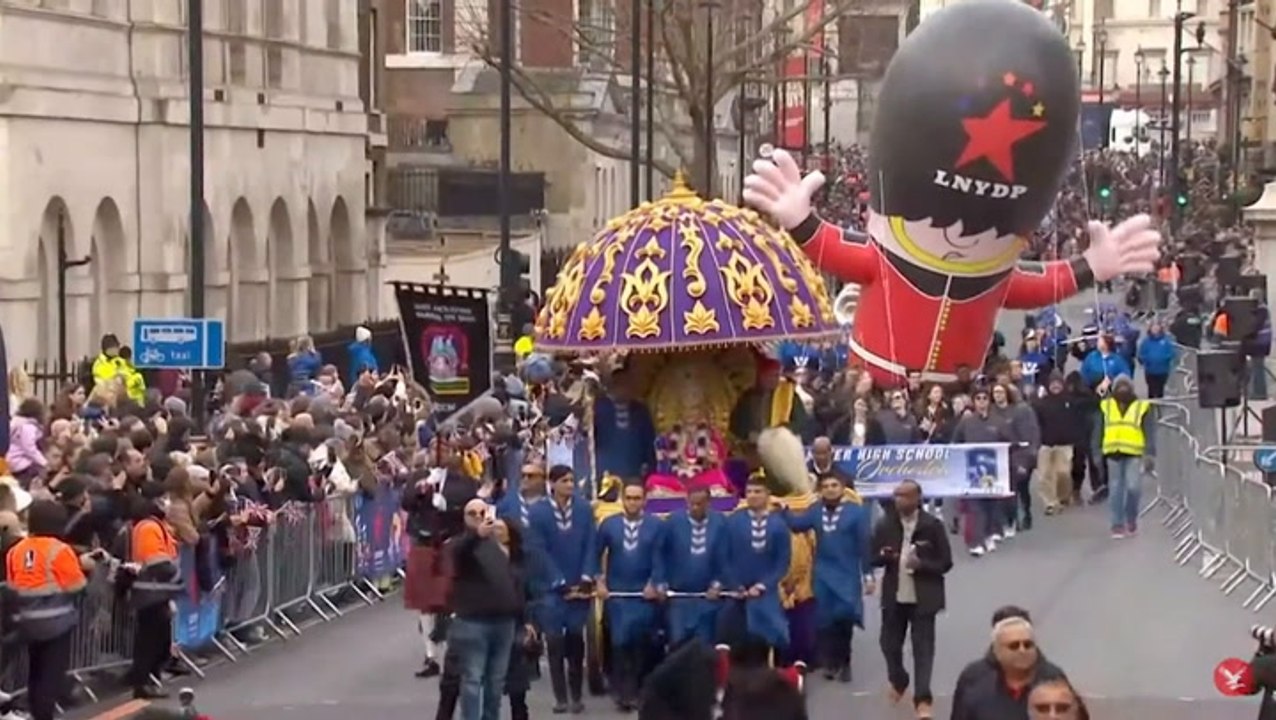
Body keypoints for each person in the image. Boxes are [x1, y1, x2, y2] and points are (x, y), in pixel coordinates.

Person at [871, 479, 952, 720]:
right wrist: (883, 556)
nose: (899, 500)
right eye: (897, 496)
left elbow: (946, 563)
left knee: (923, 650)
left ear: (918, 498)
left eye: (905, 496)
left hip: (923, 598)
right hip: (894, 596)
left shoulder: (932, 526)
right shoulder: (885, 524)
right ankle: (899, 679)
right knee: (889, 645)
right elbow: (872, 557)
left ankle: (923, 700)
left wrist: (922, 565)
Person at [780, 473, 873, 682]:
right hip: (822, 572)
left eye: (834, 485)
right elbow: (797, 525)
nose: (830, 489)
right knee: (825, 620)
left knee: (845, 617)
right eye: (826, 486)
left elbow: (864, 544)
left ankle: (845, 661)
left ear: (842, 488)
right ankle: (831, 663)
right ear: (820, 490)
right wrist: (783, 510)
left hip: (847, 572)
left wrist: (868, 575)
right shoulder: (816, 510)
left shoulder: (857, 512)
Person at [5, 500, 89, 720]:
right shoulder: (60, 550)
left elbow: (13, 587)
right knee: (50, 674)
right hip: (57, 623)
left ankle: (35, 712)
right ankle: (43, 716)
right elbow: (77, 585)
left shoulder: (15, 551)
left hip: (26, 622)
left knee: (34, 672)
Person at [527, 465, 596, 713]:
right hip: (550, 588)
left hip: (579, 586)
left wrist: (587, 576)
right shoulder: (538, 512)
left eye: (571, 480)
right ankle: (560, 698)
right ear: (552, 484)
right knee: (554, 642)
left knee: (576, 642)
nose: (570, 485)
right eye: (565, 481)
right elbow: (537, 550)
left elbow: (591, 543)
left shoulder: (584, 509)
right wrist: (558, 580)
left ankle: (576, 696)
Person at [594, 482, 664, 711]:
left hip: (644, 595)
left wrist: (654, 582)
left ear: (645, 500)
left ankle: (638, 691)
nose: (633, 502)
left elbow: (661, 557)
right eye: (629, 498)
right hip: (618, 595)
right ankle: (622, 692)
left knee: (641, 644)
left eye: (637, 498)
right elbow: (593, 554)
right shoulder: (609, 524)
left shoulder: (656, 525)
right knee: (620, 643)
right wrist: (599, 581)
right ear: (622, 499)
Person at [448, 498, 519, 720]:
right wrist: (476, 535)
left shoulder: (497, 545)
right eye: (473, 514)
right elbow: (459, 552)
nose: (479, 517)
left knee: (495, 682)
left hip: (504, 622)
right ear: (464, 518)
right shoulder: (460, 544)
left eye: (483, 512)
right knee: (472, 679)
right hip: (473, 623)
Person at [720, 474, 791, 662]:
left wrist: (763, 586)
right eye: (749, 492)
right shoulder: (733, 521)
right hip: (737, 594)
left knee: (771, 638)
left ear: (768, 494)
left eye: (757, 491)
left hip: (765, 594)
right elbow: (723, 557)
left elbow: (782, 562)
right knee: (736, 643)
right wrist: (734, 584)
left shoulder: (779, 525)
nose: (752, 495)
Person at [123, 482, 184, 700]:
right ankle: (142, 682)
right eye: (164, 498)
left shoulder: (155, 525)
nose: (168, 503)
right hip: (151, 592)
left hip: (157, 592)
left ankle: (147, 679)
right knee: (151, 641)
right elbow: (157, 562)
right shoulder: (149, 527)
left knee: (157, 640)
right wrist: (177, 578)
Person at [950, 615, 1068, 720]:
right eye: (1014, 646)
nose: (1022, 650)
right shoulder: (978, 692)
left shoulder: (1054, 681)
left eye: (1028, 645)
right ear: (997, 652)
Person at [659, 483, 728, 646]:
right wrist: (660, 582)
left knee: (704, 646)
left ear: (709, 503)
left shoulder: (721, 523)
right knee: (678, 644)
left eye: (700, 504)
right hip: (678, 599)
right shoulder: (672, 522)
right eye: (692, 504)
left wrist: (718, 584)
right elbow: (660, 554)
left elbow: (727, 558)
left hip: (708, 598)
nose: (695, 508)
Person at [1091, 375, 1155, 539]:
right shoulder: (1106, 406)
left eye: (1126, 386)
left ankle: (1131, 519)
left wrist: (1149, 454)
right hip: (1113, 453)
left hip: (1134, 453)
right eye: (1120, 386)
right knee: (1115, 490)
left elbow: (1149, 431)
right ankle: (1117, 524)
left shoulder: (1142, 407)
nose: (1123, 389)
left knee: (1134, 488)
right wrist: (1096, 452)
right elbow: (1098, 431)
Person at [1032, 372, 1082, 513]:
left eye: (1058, 383)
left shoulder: (1070, 402)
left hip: (1064, 445)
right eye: (1053, 383)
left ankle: (1063, 497)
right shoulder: (1040, 403)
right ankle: (1050, 503)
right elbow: (1035, 423)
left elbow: (1077, 422)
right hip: (1045, 445)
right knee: (1044, 475)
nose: (1055, 386)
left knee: (1063, 473)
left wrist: (1077, 439)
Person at [1136, 320, 1176, 399]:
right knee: (1151, 390)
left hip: (1163, 370)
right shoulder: (1146, 342)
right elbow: (1141, 354)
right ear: (1150, 328)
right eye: (1153, 327)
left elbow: (1171, 353)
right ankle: (1151, 404)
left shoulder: (1166, 341)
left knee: (1160, 390)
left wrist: (1164, 359)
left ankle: (1160, 403)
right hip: (1150, 371)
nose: (1155, 329)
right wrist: (1146, 360)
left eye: (1157, 327)